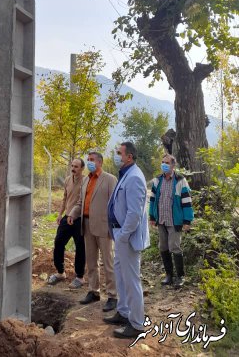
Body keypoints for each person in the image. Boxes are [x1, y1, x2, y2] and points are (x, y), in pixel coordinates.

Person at [106, 142, 150, 339]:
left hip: (127, 238)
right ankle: (123, 312)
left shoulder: (135, 178)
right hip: (119, 235)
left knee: (131, 280)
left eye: (119, 153)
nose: (116, 156)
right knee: (121, 276)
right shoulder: (126, 174)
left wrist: (123, 235)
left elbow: (134, 213)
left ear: (129, 157)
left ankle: (137, 324)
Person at [68, 151, 117, 312]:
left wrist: (114, 225)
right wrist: (73, 214)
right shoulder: (86, 180)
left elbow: (114, 205)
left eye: (92, 160)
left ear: (100, 162)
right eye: (88, 160)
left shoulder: (109, 180)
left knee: (108, 262)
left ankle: (112, 296)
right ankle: (93, 291)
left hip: (103, 226)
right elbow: (81, 202)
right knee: (91, 261)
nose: (89, 162)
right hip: (86, 224)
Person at [149, 154, 194, 288]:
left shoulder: (180, 180)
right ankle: (169, 275)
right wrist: (152, 217)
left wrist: (187, 220)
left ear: (173, 165)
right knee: (163, 247)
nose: (164, 164)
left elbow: (186, 201)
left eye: (167, 163)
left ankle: (180, 276)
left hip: (175, 220)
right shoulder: (157, 180)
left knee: (175, 247)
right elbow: (152, 199)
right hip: (161, 220)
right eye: (162, 162)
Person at [48, 158, 86, 288]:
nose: (73, 168)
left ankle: (80, 277)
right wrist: (60, 213)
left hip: (79, 219)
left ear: (82, 168)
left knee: (80, 247)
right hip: (67, 216)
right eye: (72, 166)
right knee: (58, 242)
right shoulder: (67, 180)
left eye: (76, 166)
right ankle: (60, 272)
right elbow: (64, 198)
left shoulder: (86, 181)